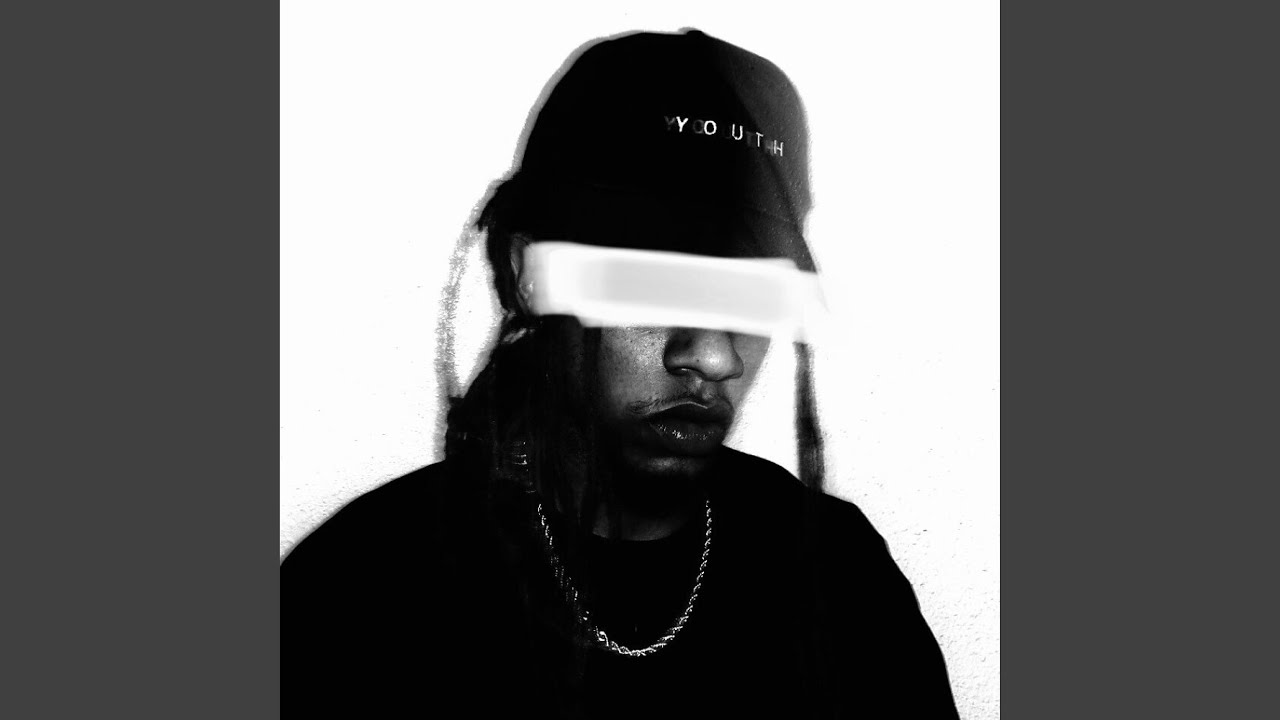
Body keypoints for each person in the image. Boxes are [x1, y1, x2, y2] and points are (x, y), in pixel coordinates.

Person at [284, 29, 959, 718]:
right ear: (527, 274)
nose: (716, 357)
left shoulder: (836, 572)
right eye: (654, 285)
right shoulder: (360, 593)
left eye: (752, 295)